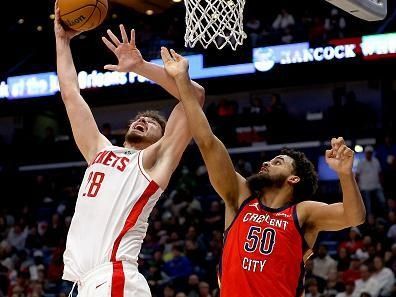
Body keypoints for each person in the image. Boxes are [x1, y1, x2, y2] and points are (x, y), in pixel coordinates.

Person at [160, 48, 366, 297]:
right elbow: (207, 141)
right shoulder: (240, 197)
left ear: (294, 178)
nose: (267, 163)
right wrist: (182, 79)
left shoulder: (303, 213)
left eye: (278, 162)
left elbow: (353, 217)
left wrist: (345, 174)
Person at [54, 3, 205, 297]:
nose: (143, 120)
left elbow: (194, 97)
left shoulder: (154, 160)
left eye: (153, 123)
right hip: (83, 284)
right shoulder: (99, 151)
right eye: (140, 118)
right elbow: (71, 94)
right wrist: (62, 40)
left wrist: (140, 67)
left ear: (163, 139)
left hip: (113, 277)